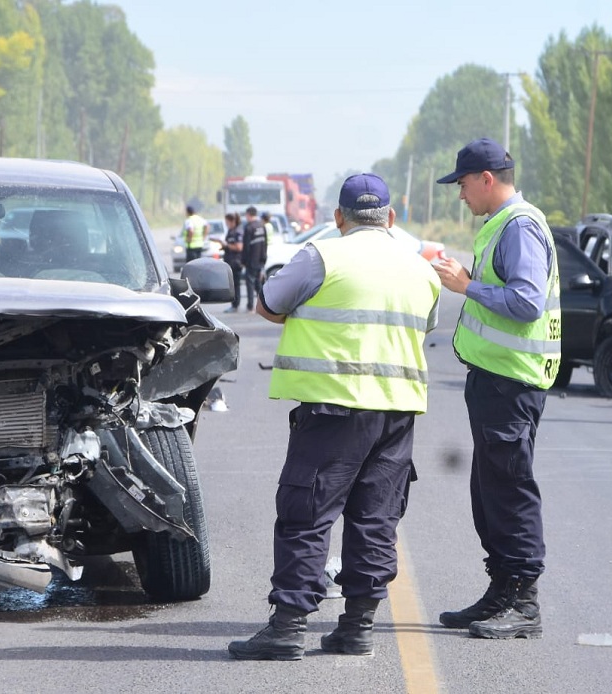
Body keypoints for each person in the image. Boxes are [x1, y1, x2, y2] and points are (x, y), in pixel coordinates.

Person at [227, 173, 440, 660]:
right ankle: (357, 627)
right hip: (397, 414)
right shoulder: (420, 269)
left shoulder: (322, 255)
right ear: (389, 218)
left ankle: (288, 627)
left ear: (339, 217)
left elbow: (269, 305)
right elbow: (424, 323)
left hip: (334, 407)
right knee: (375, 519)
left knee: (307, 515)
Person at [431, 137, 560, 640]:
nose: (460, 195)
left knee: (509, 488)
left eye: (463, 184)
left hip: (512, 381)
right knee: (489, 491)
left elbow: (526, 302)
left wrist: (466, 286)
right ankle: (501, 591)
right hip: (496, 379)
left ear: (487, 178)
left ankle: (524, 603)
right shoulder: (500, 226)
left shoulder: (520, 226)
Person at [241, 206, 267, 312]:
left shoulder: (249, 227)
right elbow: (265, 244)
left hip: (251, 260)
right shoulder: (262, 226)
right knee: (258, 283)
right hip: (260, 259)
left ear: (249, 214)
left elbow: (246, 247)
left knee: (250, 283)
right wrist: (264, 258)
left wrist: (243, 261)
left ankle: (250, 306)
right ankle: (264, 305)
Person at [222, 212, 245, 313]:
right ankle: (234, 304)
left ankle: (235, 305)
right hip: (230, 261)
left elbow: (239, 247)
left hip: (236, 262)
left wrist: (227, 246)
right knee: (232, 285)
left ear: (232, 221)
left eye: (227, 222)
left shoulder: (238, 231)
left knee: (235, 285)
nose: (226, 224)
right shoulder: (231, 231)